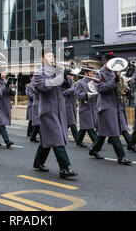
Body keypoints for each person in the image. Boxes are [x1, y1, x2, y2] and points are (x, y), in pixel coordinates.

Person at [32, 48, 78, 179]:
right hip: (47, 111)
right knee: (57, 138)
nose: (52, 58)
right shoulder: (38, 72)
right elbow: (45, 87)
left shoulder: (56, 70)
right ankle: (64, 168)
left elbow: (68, 85)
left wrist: (65, 74)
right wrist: (60, 75)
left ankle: (38, 162)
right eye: (48, 56)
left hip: (58, 111)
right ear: (42, 59)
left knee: (48, 139)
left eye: (52, 56)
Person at [88, 53, 132, 165]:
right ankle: (121, 156)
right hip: (106, 106)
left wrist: (126, 91)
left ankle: (94, 149)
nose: (115, 66)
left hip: (115, 105)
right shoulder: (99, 74)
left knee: (103, 132)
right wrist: (114, 81)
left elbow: (118, 89)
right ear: (105, 62)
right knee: (113, 131)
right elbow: (101, 89)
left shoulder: (114, 73)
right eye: (112, 63)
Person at [74, 66, 98, 148]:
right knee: (90, 127)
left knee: (84, 127)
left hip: (93, 107)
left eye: (93, 73)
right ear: (86, 73)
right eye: (91, 73)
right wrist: (86, 94)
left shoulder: (94, 81)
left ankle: (78, 141)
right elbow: (77, 95)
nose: (92, 75)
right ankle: (97, 143)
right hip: (85, 108)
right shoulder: (81, 82)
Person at [0, 73, 15, 148]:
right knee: (2, 124)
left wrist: (11, 88)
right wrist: (6, 86)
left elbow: (13, 94)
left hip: (5, 106)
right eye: (2, 73)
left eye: (5, 72)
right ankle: (7, 141)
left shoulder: (6, 82)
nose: (4, 74)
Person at [63, 74, 79, 142]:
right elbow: (64, 93)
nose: (71, 77)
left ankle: (61, 135)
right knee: (72, 122)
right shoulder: (64, 83)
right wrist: (73, 87)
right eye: (70, 76)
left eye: (72, 76)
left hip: (73, 105)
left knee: (69, 122)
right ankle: (77, 139)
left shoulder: (74, 84)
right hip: (67, 105)